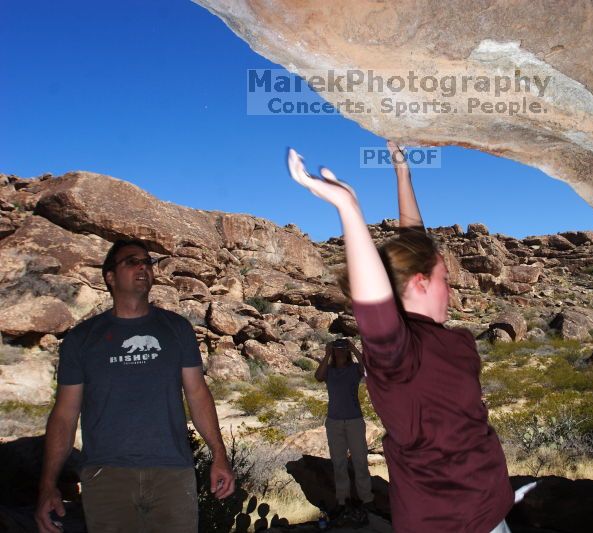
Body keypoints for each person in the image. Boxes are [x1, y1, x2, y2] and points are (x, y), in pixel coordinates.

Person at [288, 142, 514, 532]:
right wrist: (349, 212)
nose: (452, 290)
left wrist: (402, 173)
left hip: (492, 511)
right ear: (422, 282)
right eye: (446, 279)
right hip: (449, 523)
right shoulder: (399, 355)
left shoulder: (437, 337)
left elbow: (416, 241)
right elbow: (374, 309)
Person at [35, 239, 235, 533]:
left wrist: (219, 454)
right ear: (110, 277)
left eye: (147, 262)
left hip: (173, 472)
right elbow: (65, 414)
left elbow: (197, 394)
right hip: (106, 476)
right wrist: (48, 483)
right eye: (131, 261)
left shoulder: (176, 329)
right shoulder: (82, 339)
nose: (143, 266)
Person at [314, 338, 374, 519]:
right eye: (337, 349)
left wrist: (354, 348)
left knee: (360, 460)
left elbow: (367, 369)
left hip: (354, 420)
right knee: (338, 461)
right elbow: (318, 377)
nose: (340, 352)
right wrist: (326, 354)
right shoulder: (329, 371)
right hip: (334, 421)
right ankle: (342, 499)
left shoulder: (354, 370)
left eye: (342, 349)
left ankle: (366, 497)